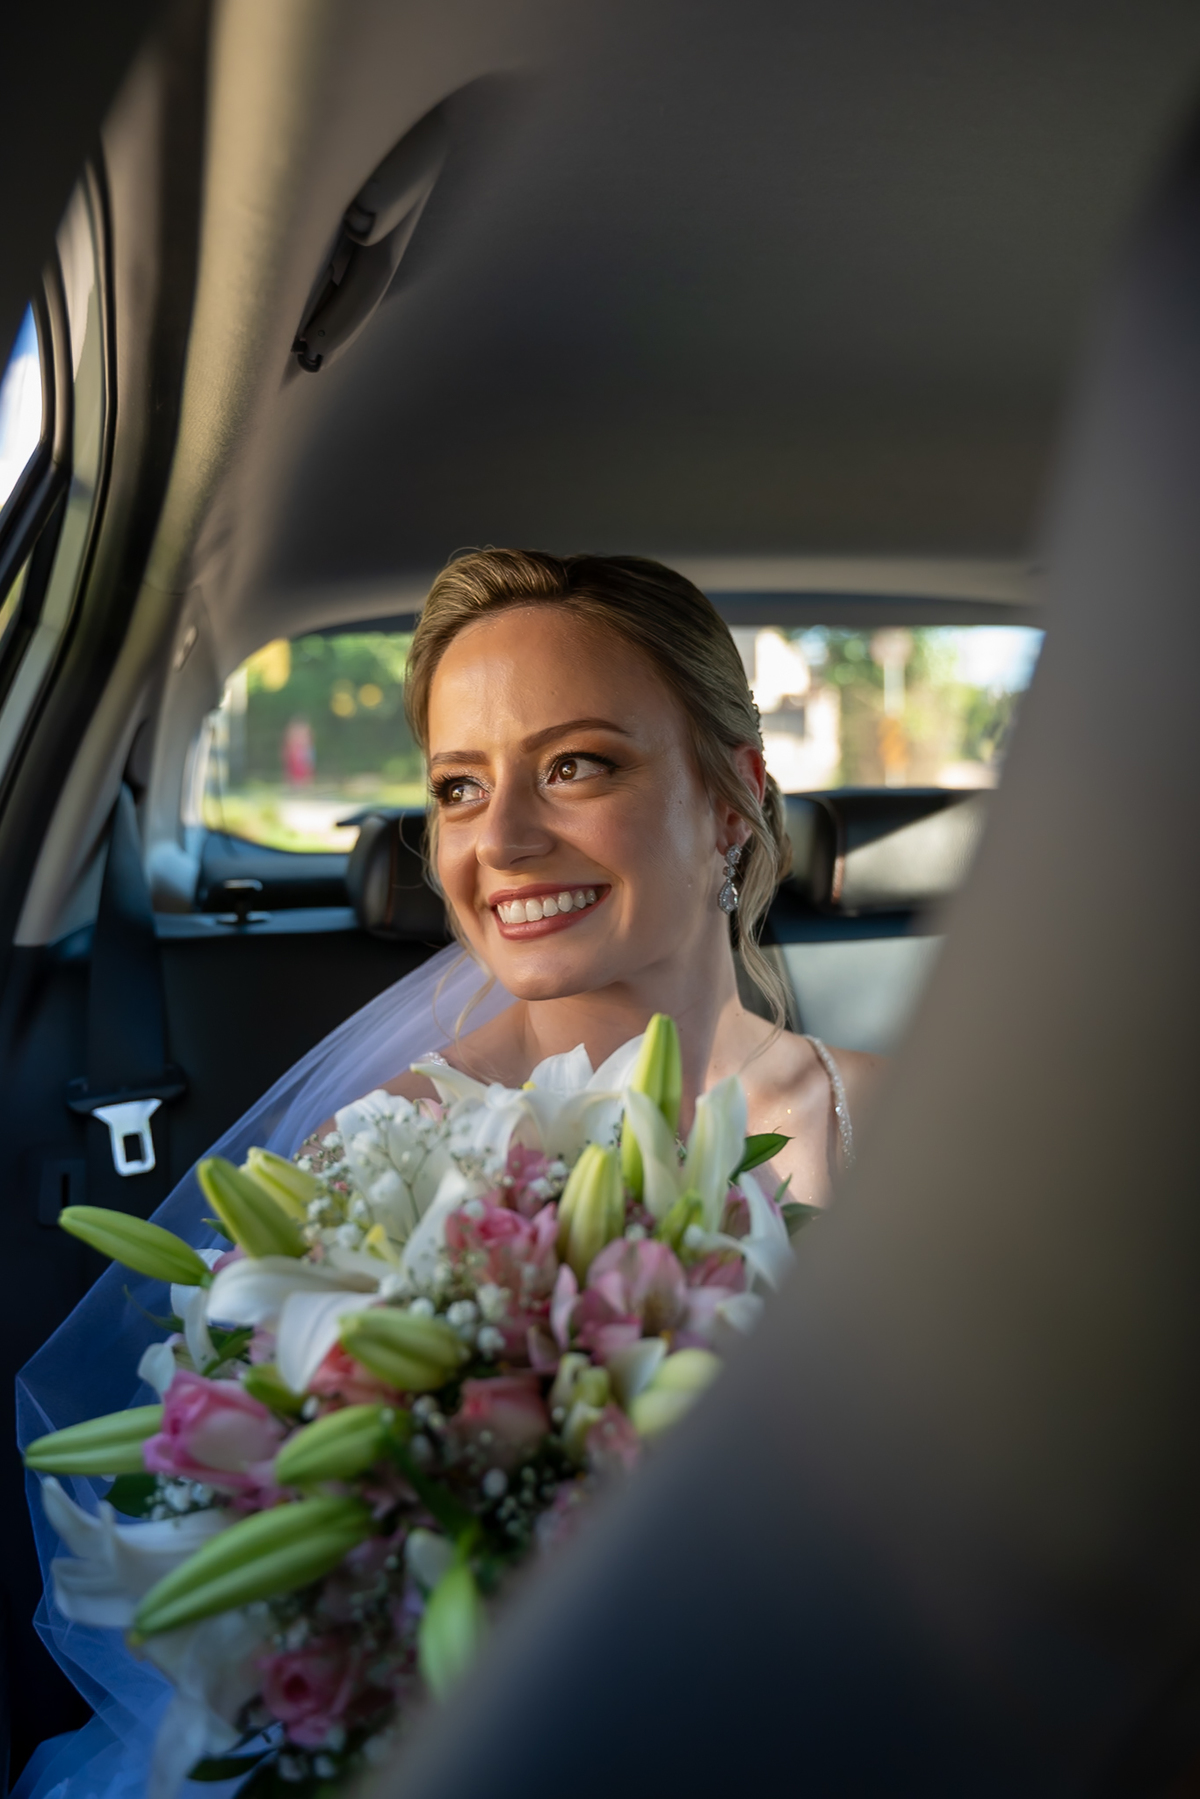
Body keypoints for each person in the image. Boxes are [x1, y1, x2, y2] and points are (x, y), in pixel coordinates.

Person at [360, 548, 880, 1206]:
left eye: (573, 766)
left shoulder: (908, 1118)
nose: (499, 842)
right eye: (461, 786)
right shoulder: (381, 1157)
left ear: (730, 801)